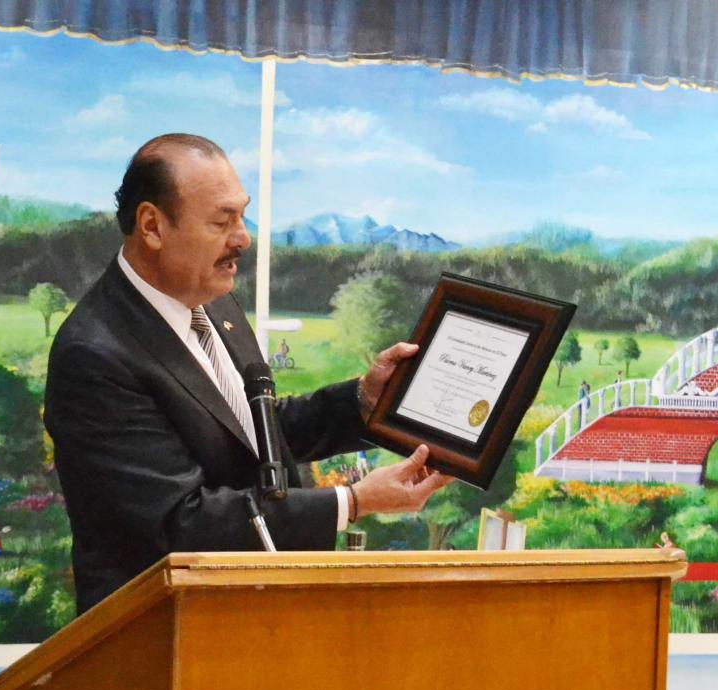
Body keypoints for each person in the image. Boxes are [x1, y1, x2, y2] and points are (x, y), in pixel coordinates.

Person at [44, 133, 451, 613]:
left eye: (242, 214)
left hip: (252, 615)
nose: (243, 237)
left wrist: (362, 399)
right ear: (152, 225)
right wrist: (353, 501)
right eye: (223, 220)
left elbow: (254, 434)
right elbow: (180, 523)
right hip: (158, 634)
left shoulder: (211, 297)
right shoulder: (94, 354)